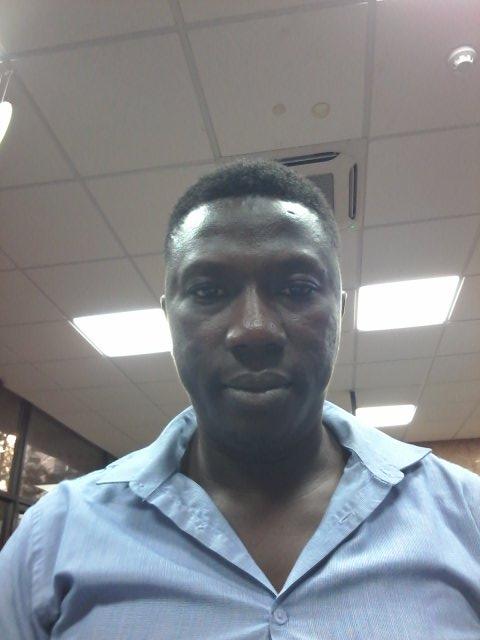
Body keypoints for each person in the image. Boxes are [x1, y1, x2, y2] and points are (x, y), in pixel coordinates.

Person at [0, 159, 479, 639]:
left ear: (338, 311)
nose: (254, 329)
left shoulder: (465, 516)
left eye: (297, 288)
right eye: (208, 291)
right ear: (170, 320)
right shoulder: (50, 542)